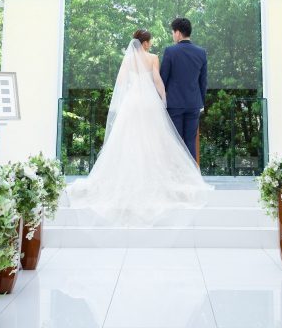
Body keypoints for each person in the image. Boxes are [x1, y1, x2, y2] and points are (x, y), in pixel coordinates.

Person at [66, 29, 213, 226]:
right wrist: (164, 98)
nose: (150, 44)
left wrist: (129, 92)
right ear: (144, 43)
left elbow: (120, 82)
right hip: (149, 102)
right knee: (152, 138)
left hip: (132, 102)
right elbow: (158, 80)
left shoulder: (128, 60)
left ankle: (128, 177)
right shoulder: (153, 58)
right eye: (149, 42)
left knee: (129, 139)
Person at [160, 18, 207, 161]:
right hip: (194, 104)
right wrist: (201, 103)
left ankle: (177, 173)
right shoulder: (201, 52)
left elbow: (163, 80)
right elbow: (203, 82)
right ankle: (191, 173)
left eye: (173, 32)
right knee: (190, 142)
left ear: (178, 33)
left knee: (176, 142)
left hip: (174, 104)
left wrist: (161, 101)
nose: (173, 35)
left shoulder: (170, 51)